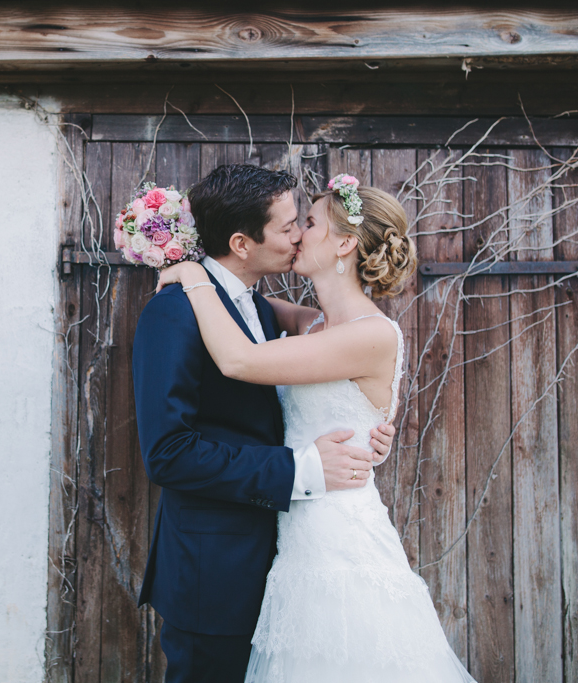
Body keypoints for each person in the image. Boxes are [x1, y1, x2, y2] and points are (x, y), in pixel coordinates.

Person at [157, 174, 477, 682]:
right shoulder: (314, 325)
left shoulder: (370, 335)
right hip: (292, 535)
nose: (299, 232)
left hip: (336, 538)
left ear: (345, 243)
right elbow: (247, 308)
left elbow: (241, 358)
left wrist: (193, 276)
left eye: (309, 222)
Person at [131, 165, 397, 683]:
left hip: (295, 562)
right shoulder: (175, 313)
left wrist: (370, 433)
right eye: (288, 225)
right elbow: (168, 452)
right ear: (242, 242)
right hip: (218, 570)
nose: (298, 235)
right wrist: (304, 468)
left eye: (306, 223)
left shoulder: (268, 311)